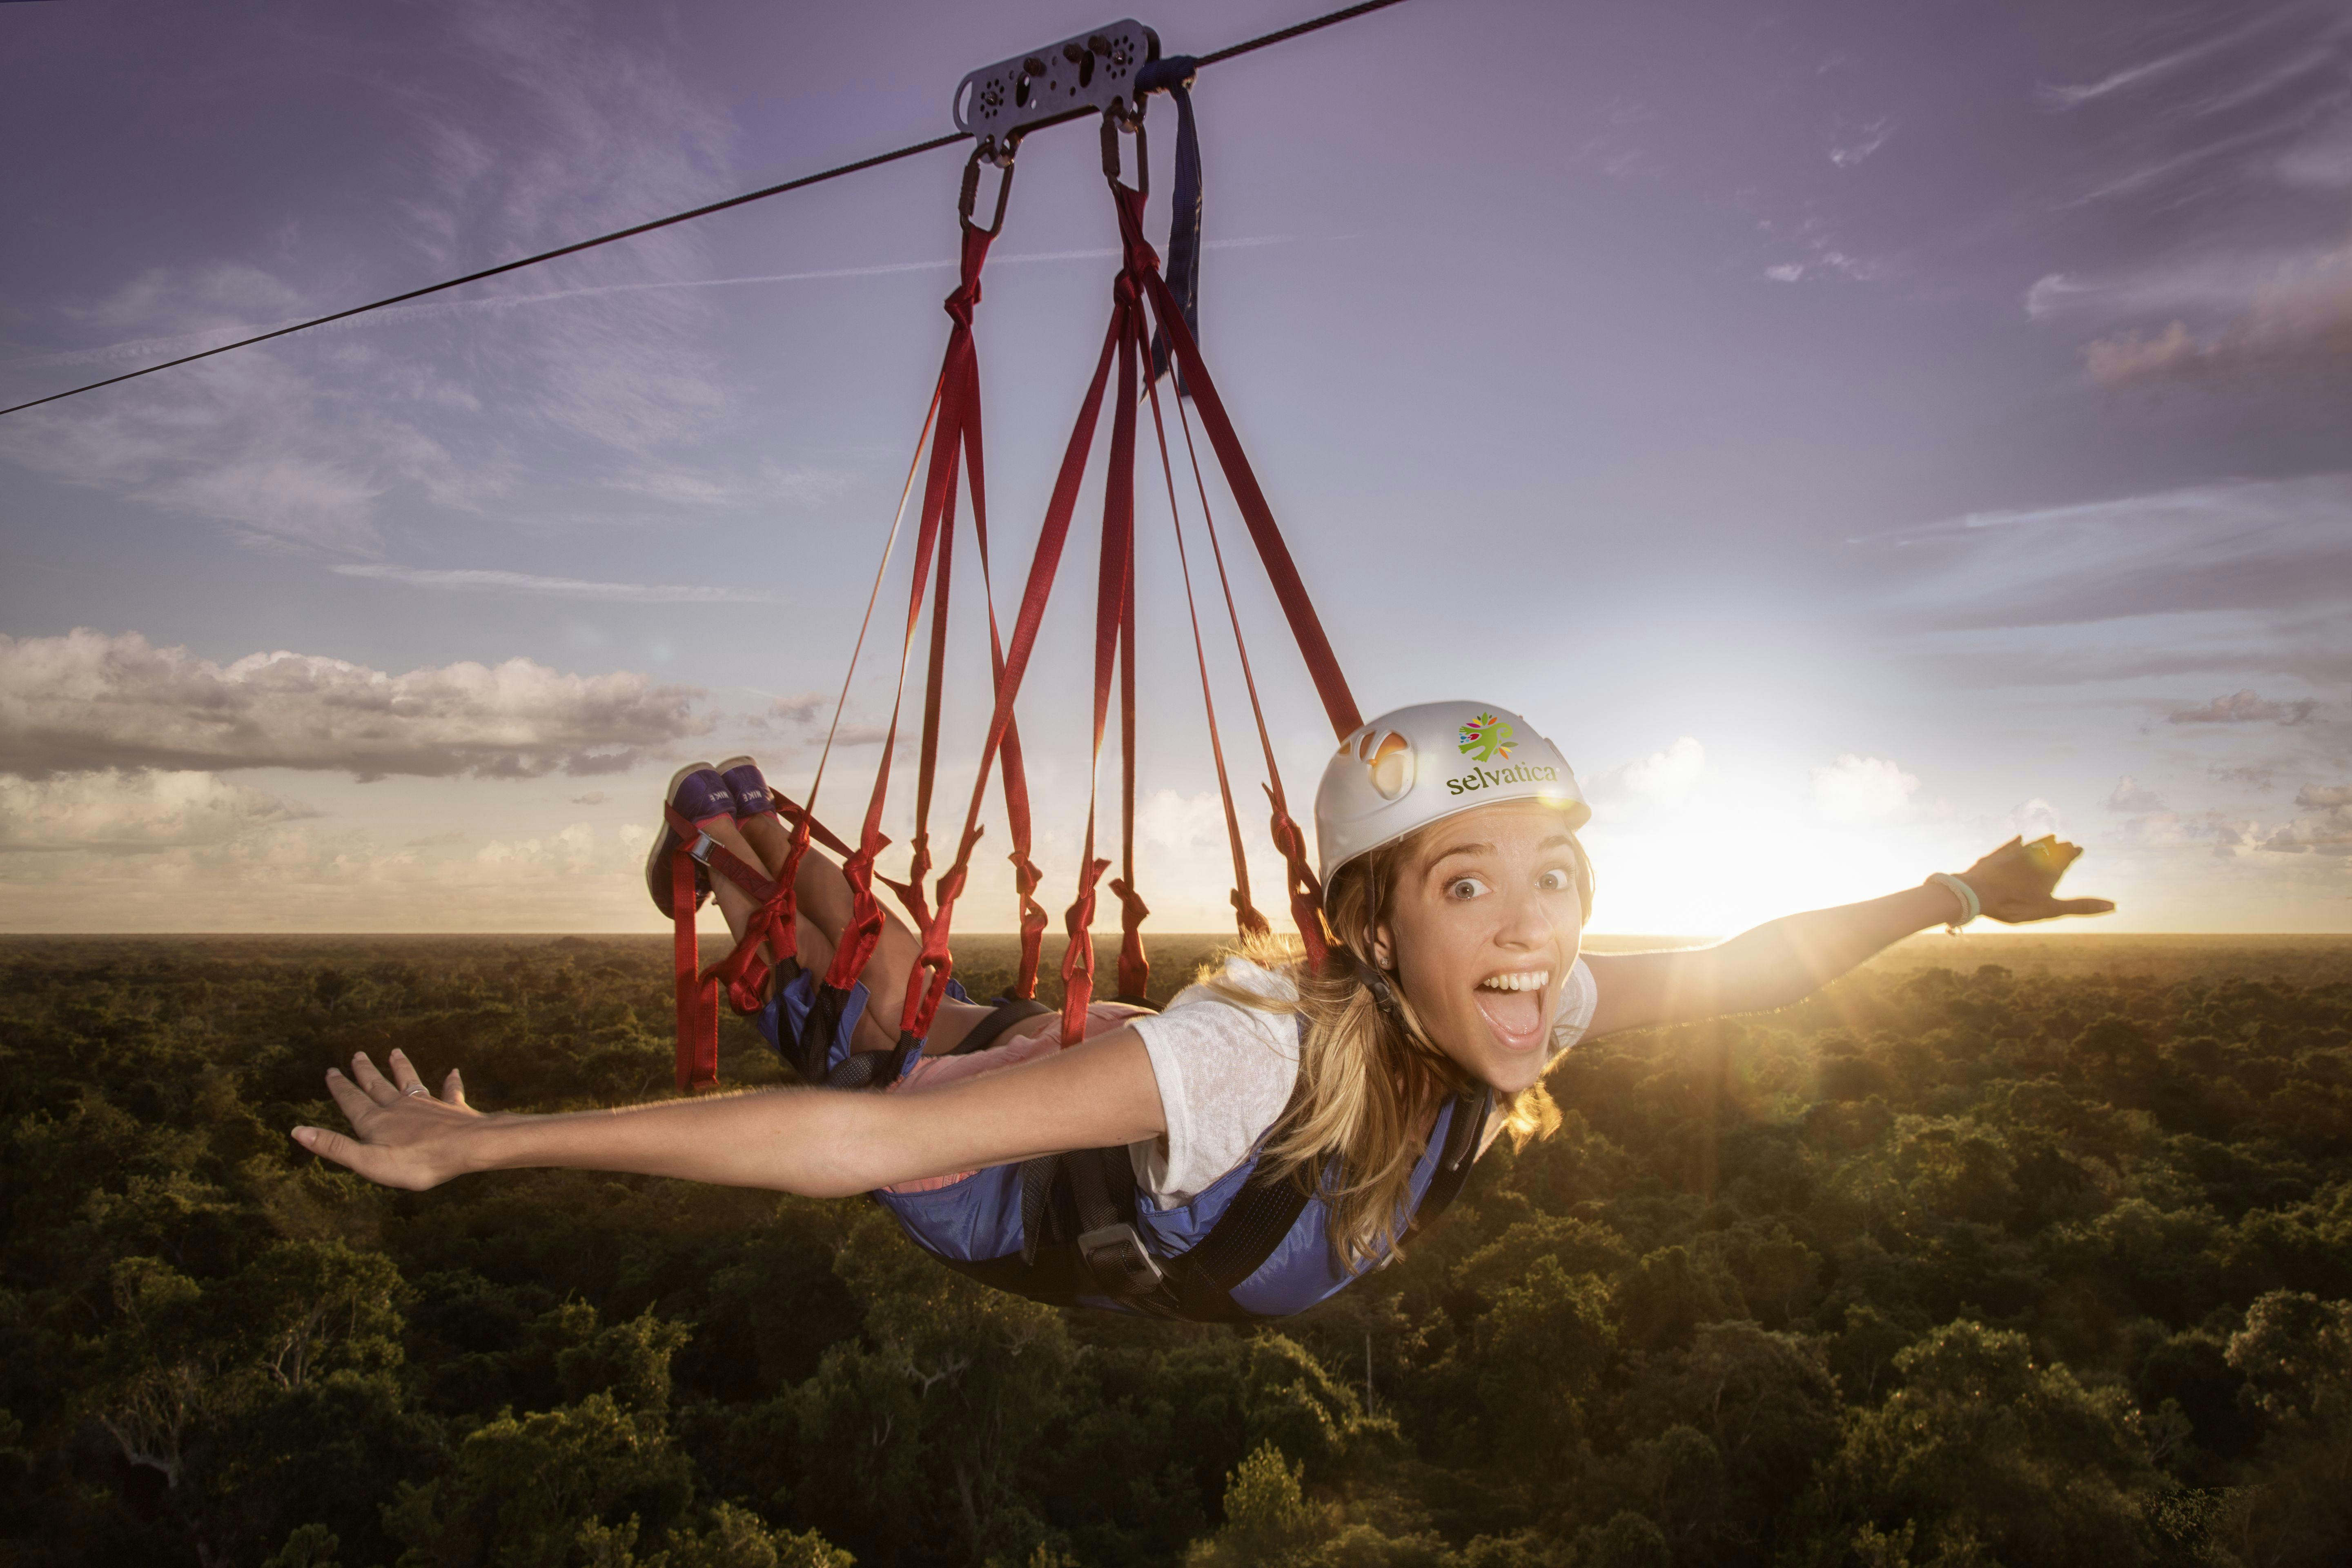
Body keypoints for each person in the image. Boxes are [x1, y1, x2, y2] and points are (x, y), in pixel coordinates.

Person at [291, 701, 2112, 1317]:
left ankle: (751, 845)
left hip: (1111, 1136)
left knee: (950, 995)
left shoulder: (1531, 1012)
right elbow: (864, 1147)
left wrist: (1955, 895)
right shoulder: (1253, 1058)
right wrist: (495, 1145)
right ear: (1378, 938)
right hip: (994, 1192)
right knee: (877, 1029)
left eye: (1547, 878)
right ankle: (733, 843)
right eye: (1463, 885)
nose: (1531, 931)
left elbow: (1747, 970)